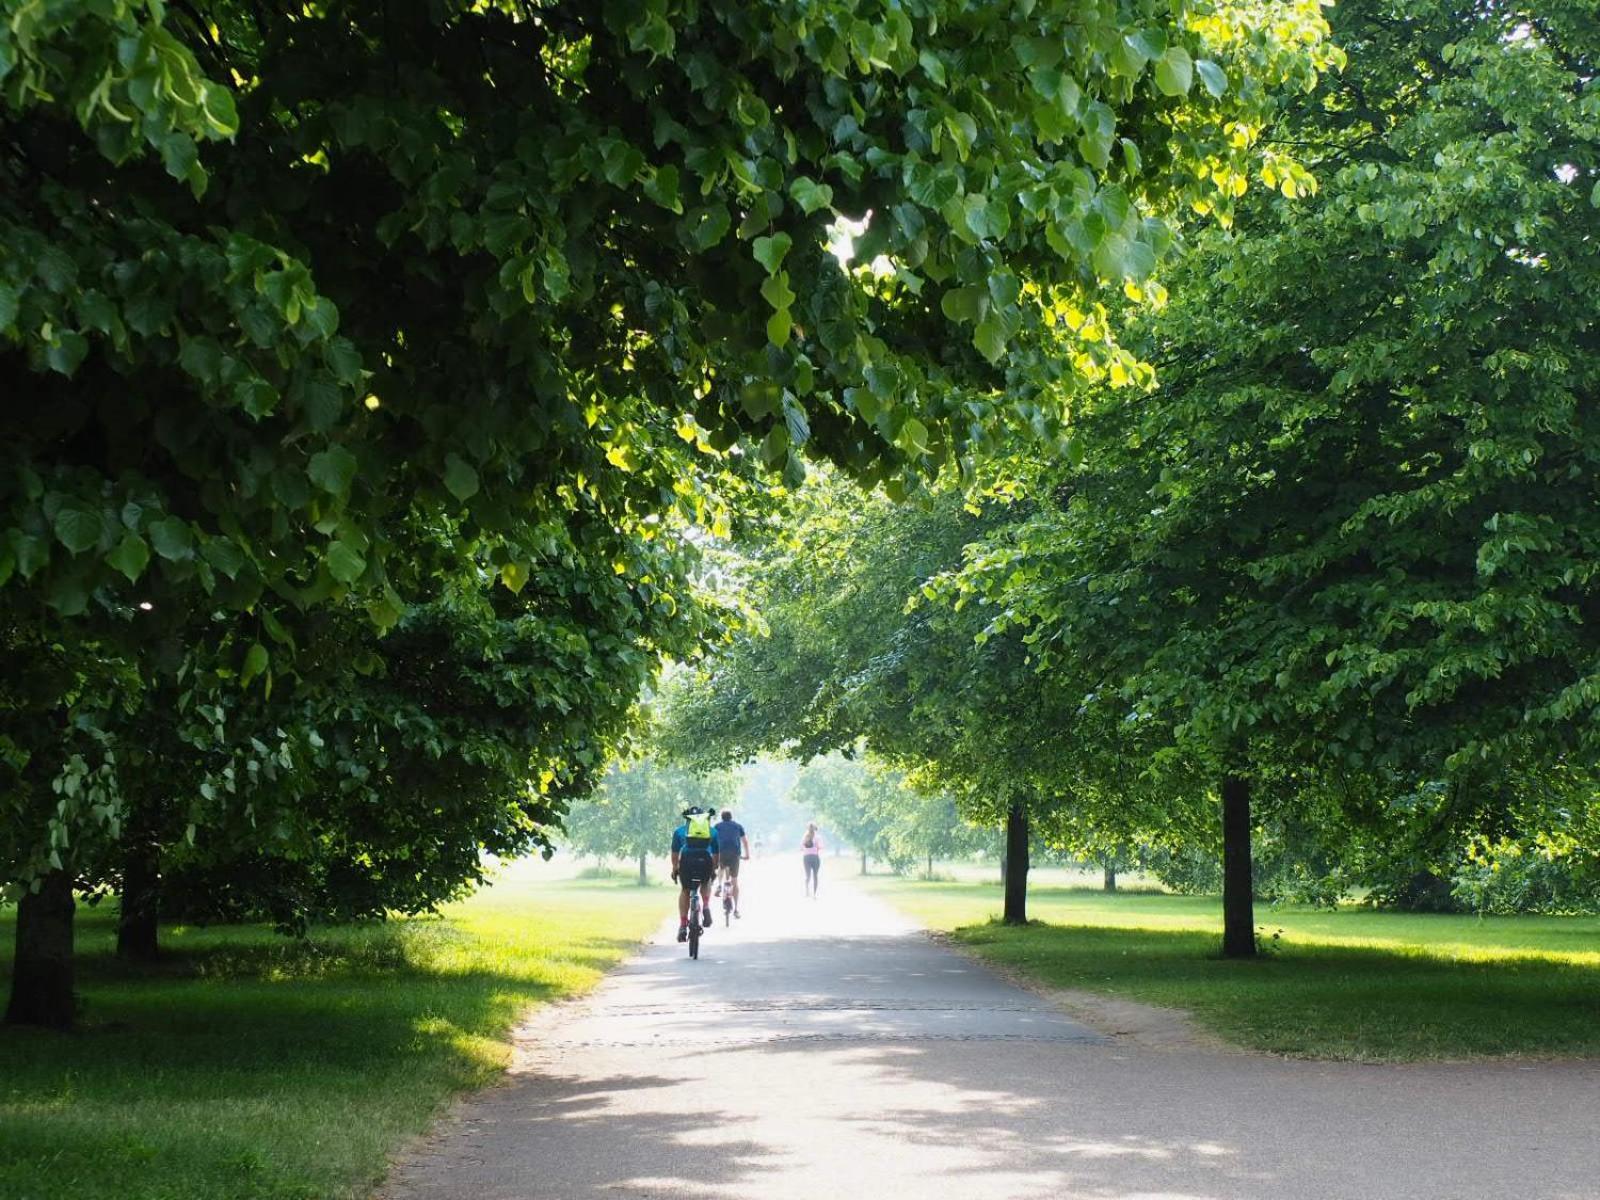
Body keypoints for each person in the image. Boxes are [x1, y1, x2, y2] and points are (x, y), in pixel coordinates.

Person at [671, 805, 718, 942]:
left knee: (685, 890)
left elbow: (675, 855)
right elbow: (716, 855)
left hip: (687, 862)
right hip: (705, 861)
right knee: (706, 881)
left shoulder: (679, 831)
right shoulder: (712, 831)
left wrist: (675, 869)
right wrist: (713, 870)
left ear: (687, 819)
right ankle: (706, 907)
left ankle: (683, 925)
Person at [712, 809, 750, 918]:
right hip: (735, 854)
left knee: (720, 867)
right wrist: (747, 855)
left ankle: (719, 885)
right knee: (735, 881)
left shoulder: (717, 826)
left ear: (722, 817)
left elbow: (713, 841)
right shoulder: (738, 826)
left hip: (722, 853)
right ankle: (736, 909)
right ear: (731, 817)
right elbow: (745, 842)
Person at [801, 822, 823, 898]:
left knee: (807, 876)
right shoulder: (818, 837)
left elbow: (801, 848)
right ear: (815, 828)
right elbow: (820, 847)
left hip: (806, 858)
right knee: (815, 876)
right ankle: (814, 894)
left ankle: (807, 891)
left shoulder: (805, 837)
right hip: (815, 857)